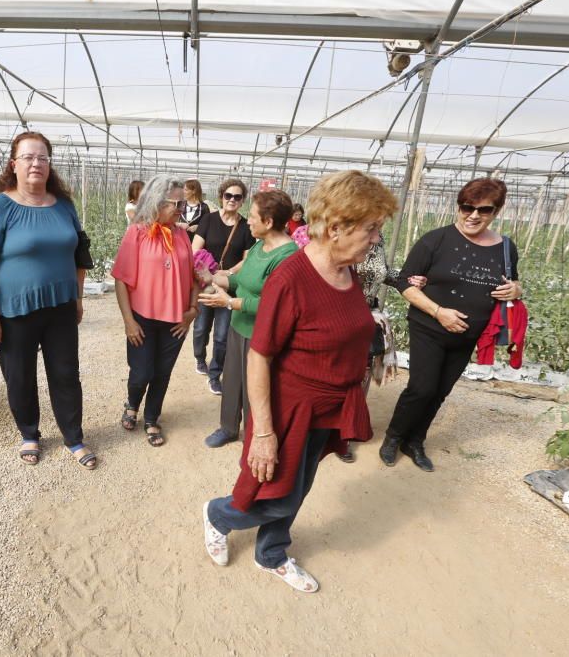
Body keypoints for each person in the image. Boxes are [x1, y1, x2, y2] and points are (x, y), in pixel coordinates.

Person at [202, 170, 397, 593]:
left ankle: (271, 553)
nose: (376, 238)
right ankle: (219, 515)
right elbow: (260, 355)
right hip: (289, 407)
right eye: (371, 228)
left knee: (299, 486)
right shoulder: (291, 278)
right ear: (337, 226)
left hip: (326, 406)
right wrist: (264, 433)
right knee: (276, 492)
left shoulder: (350, 275)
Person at [0, 131, 97, 470]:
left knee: (66, 374)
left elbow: (80, 256)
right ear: (14, 164)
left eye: (42, 158)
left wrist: (78, 298)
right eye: (28, 157)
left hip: (61, 308)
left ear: (50, 165)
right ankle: (29, 434)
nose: (36, 163)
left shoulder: (64, 206)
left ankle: (74, 437)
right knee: (20, 376)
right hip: (14, 312)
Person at [379, 178, 521, 472]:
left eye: (484, 210)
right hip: (428, 327)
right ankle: (394, 437)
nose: (474, 215)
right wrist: (438, 311)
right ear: (459, 207)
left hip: (468, 335)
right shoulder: (436, 240)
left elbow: (513, 281)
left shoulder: (505, 248)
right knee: (421, 388)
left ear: (496, 212)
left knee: (441, 390)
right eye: (467, 207)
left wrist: (516, 290)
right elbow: (405, 282)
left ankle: (415, 441)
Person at [198, 189, 297, 448]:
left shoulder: (287, 257)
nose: (248, 220)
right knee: (232, 381)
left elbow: (275, 304)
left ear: (268, 222)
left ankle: (256, 434)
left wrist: (229, 302)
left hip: (262, 334)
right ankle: (228, 428)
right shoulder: (258, 246)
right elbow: (238, 280)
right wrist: (211, 278)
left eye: (253, 217)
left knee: (257, 386)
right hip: (239, 326)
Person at [113, 175, 200, 447]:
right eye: (173, 203)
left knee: (162, 372)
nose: (179, 209)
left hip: (176, 321)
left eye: (182, 203)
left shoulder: (183, 234)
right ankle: (132, 403)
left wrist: (193, 309)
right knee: (141, 372)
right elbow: (121, 279)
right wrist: (128, 320)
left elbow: (195, 276)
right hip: (142, 319)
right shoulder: (137, 232)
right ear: (155, 201)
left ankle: (152, 418)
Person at [336, 233, 426, 463]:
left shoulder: (379, 241)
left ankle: (343, 434)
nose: (378, 225)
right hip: (340, 315)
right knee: (337, 375)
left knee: (360, 378)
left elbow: (382, 272)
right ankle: (322, 427)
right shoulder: (343, 238)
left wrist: (406, 279)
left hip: (367, 317)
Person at [192, 179, 256, 395]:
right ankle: (200, 358)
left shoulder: (246, 227)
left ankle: (215, 374)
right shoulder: (208, 220)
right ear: (221, 196)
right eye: (228, 195)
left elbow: (247, 259)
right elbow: (195, 249)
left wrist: (226, 273)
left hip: (229, 287)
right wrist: (208, 273)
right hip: (204, 283)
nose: (232, 200)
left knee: (221, 335)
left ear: (242, 200)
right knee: (201, 328)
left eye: (237, 197)